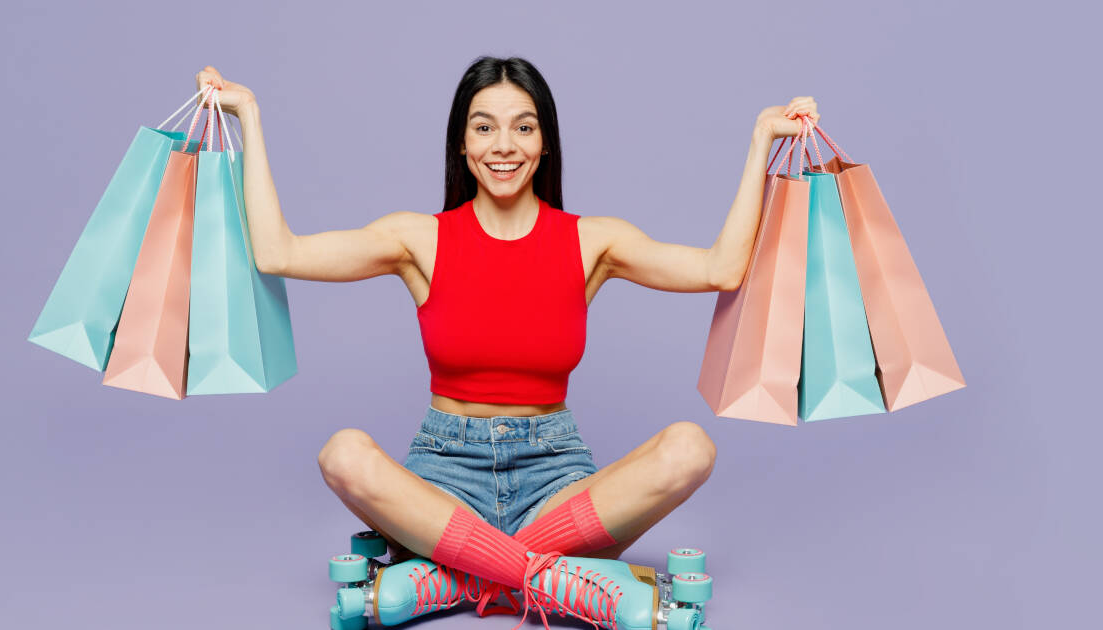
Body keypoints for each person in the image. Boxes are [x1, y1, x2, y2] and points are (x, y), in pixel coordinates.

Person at [195, 57, 818, 624]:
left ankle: (457, 579)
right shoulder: (420, 239)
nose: (504, 146)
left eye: (523, 127)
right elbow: (278, 252)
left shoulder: (591, 241)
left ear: (545, 143)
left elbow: (721, 270)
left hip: (556, 478)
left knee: (689, 448)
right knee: (343, 455)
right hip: (443, 476)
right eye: (484, 127)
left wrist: (762, 141)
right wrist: (247, 115)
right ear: (462, 144)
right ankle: (551, 580)